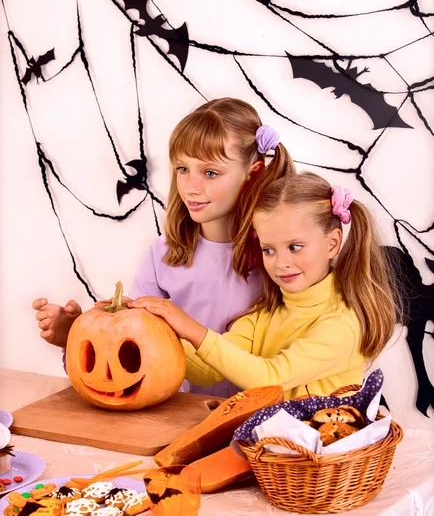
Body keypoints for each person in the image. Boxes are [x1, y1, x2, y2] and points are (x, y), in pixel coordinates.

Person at [32, 97, 296, 397]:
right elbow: (133, 352)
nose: (191, 186)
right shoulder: (165, 255)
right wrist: (76, 337)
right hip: (182, 415)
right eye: (183, 168)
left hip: (268, 415)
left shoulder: (281, 256)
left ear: (255, 172)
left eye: (210, 172)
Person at [128, 172, 400, 399]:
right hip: (267, 453)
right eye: (268, 250)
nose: (281, 263)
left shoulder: (342, 325)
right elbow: (207, 371)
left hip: (319, 457)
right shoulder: (266, 312)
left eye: (295, 247)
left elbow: (270, 378)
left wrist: (192, 328)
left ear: (332, 243)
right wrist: (147, 330)